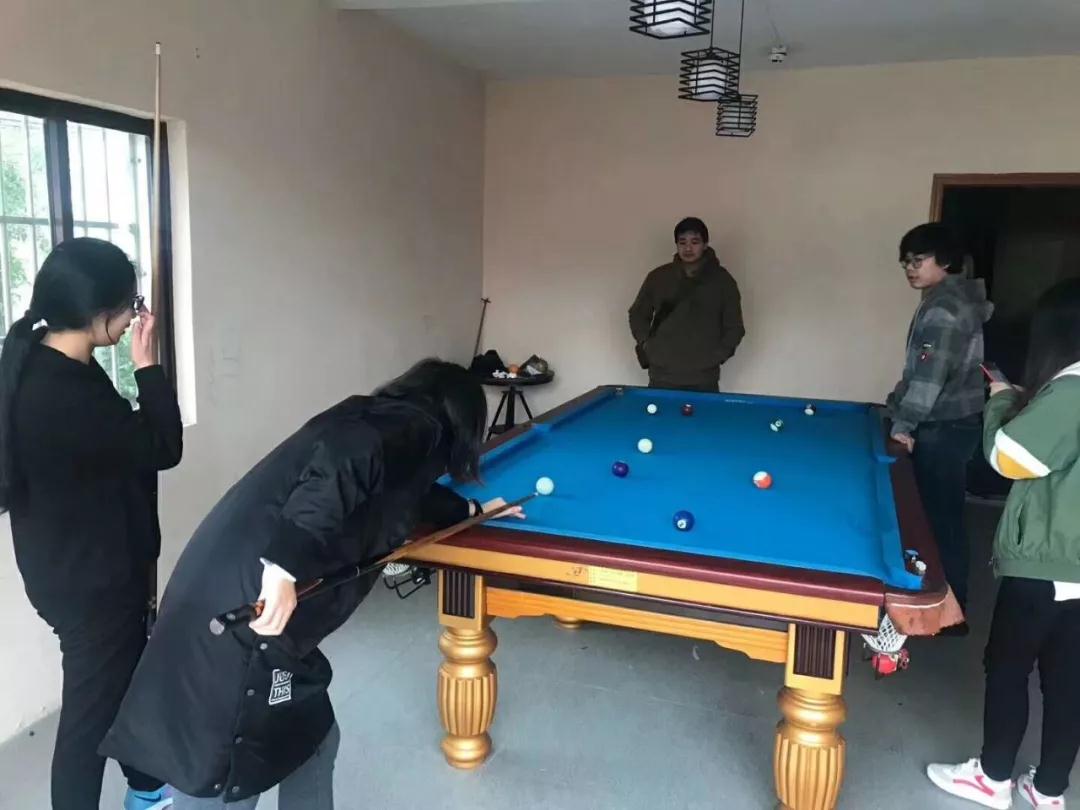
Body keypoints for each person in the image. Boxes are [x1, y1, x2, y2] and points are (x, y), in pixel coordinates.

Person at [100, 359, 520, 809]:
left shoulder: (378, 417)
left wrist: (471, 512)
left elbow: (406, 493)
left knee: (312, 740)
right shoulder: (417, 424)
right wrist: (282, 567)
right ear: (461, 415)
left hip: (222, 593)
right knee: (227, 773)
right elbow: (343, 462)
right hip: (246, 616)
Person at [0, 238, 182, 810]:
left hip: (66, 569)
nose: (133, 319)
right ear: (99, 314)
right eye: (131, 307)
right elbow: (163, 446)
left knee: (125, 683)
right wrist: (148, 366)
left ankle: (147, 791)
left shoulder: (39, 360)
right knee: (87, 726)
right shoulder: (66, 392)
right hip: (93, 587)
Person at [926, 277, 1080, 809]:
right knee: (1068, 679)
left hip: (1047, 560)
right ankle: (1049, 789)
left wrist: (1001, 401)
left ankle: (992, 779)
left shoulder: (1073, 389)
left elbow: (1010, 458)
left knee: (1009, 666)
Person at [885, 222, 991, 629]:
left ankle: (949, 614)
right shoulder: (949, 299)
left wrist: (904, 422)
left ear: (944, 261)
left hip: (944, 426)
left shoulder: (945, 308)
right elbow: (919, 372)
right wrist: (896, 404)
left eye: (918, 260)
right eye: (905, 263)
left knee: (938, 521)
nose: (910, 269)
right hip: (954, 422)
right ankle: (947, 607)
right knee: (941, 517)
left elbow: (930, 377)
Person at [628, 217, 745, 392]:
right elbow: (637, 314)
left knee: (705, 412)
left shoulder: (723, 281)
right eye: (682, 242)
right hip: (662, 375)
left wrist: (717, 356)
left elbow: (735, 327)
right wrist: (647, 344)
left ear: (705, 244)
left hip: (704, 378)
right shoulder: (658, 277)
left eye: (695, 242)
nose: (688, 248)